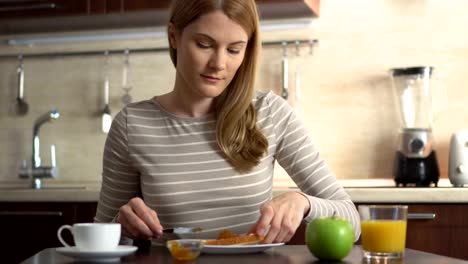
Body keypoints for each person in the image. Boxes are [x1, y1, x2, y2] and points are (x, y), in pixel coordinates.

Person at [94, 0, 361, 245]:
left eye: (234, 49)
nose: (219, 64)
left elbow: (352, 220)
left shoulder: (270, 112)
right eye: (204, 45)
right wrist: (122, 225)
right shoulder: (132, 125)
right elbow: (101, 238)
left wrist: (303, 202)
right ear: (174, 36)